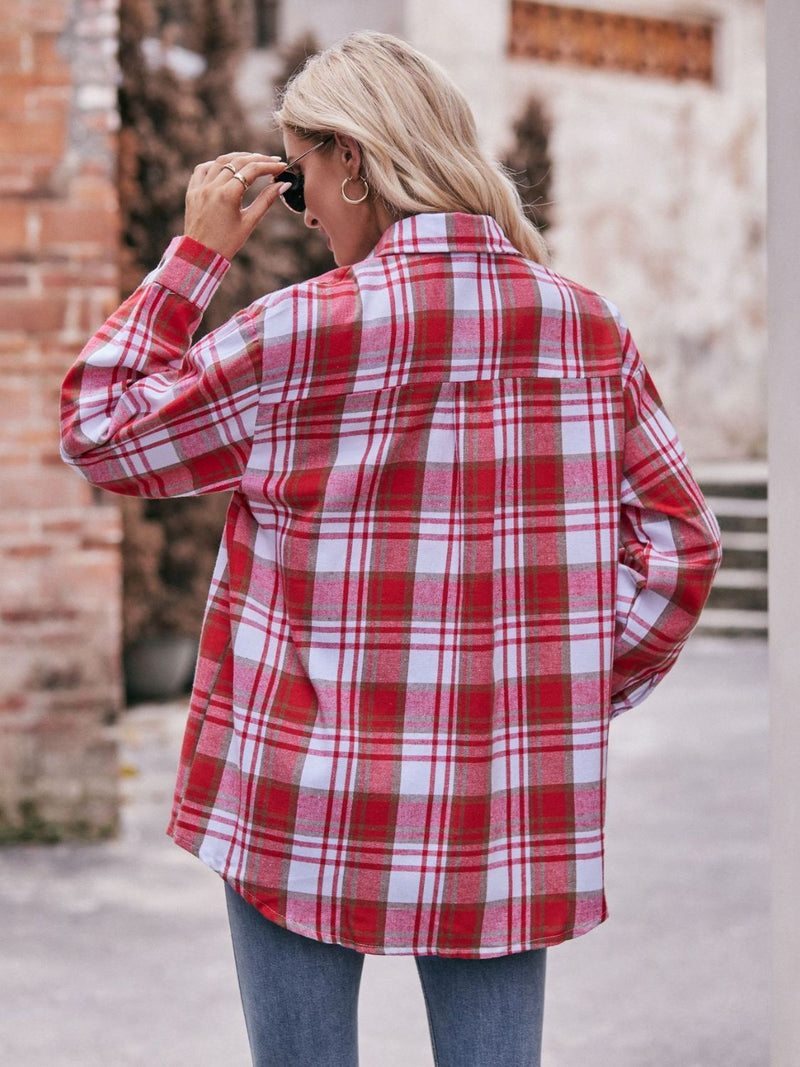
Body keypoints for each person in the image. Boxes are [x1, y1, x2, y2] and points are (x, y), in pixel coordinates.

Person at [60, 30, 722, 1067]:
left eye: (301, 179)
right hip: (502, 808)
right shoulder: (584, 329)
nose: (307, 210)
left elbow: (102, 433)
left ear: (353, 160)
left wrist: (194, 256)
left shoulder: (296, 333)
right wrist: (562, 692)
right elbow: (681, 547)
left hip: (299, 790)